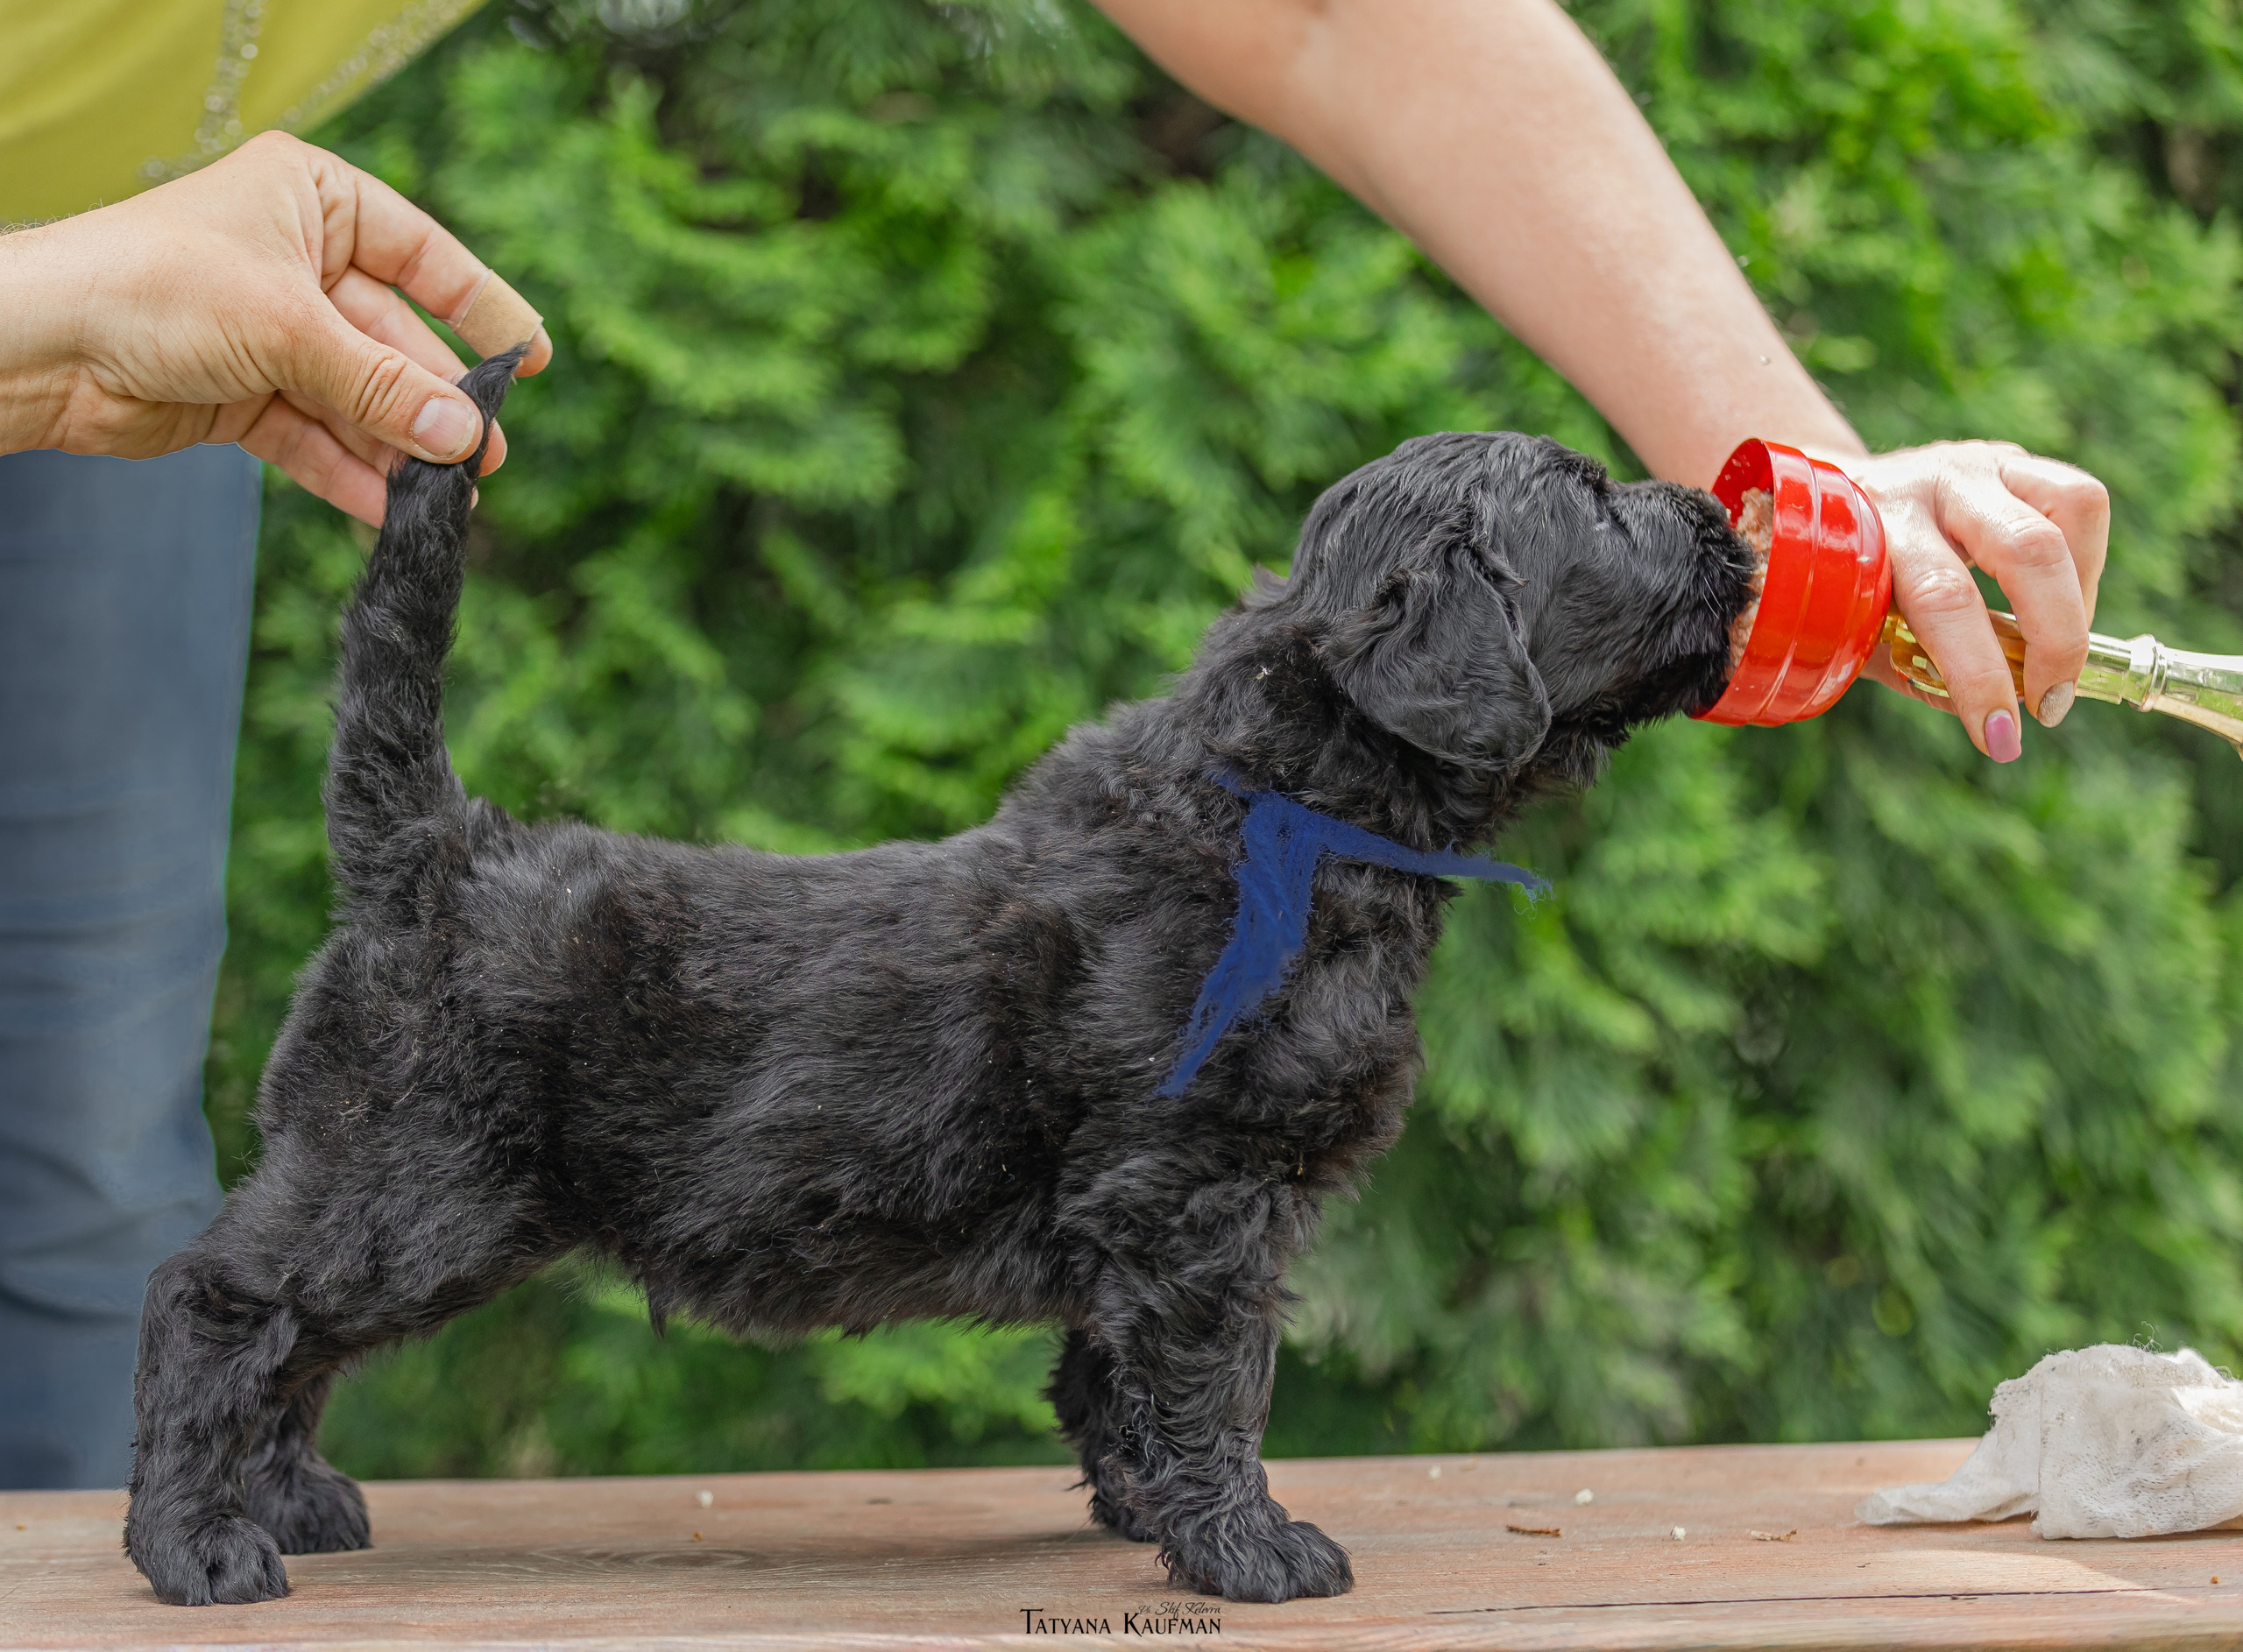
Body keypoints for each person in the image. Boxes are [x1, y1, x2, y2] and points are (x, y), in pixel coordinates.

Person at [0, 0, 2105, 1490]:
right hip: (76, 283)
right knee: (306, 1209)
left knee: (84, 1143)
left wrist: (1794, 481)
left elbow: (1330, 11)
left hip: (166, 286)